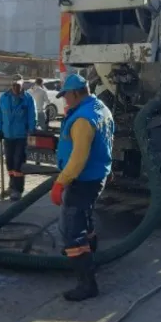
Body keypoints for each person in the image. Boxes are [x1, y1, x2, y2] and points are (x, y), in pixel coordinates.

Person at [49, 73, 115, 302]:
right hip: (96, 177)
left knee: (71, 232)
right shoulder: (100, 108)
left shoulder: (83, 120)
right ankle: (90, 259)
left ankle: (87, 284)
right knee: (85, 221)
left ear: (76, 93)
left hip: (81, 180)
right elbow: (106, 141)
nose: (65, 100)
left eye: (66, 95)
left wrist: (60, 182)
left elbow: (78, 159)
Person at [0, 74, 37, 201]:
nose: (16, 88)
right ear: (11, 85)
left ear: (22, 85)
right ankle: (12, 185)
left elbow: (32, 117)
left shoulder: (28, 99)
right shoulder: (4, 98)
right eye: (14, 85)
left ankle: (18, 190)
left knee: (18, 163)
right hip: (7, 135)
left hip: (21, 136)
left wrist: (31, 132)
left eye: (18, 85)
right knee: (9, 162)